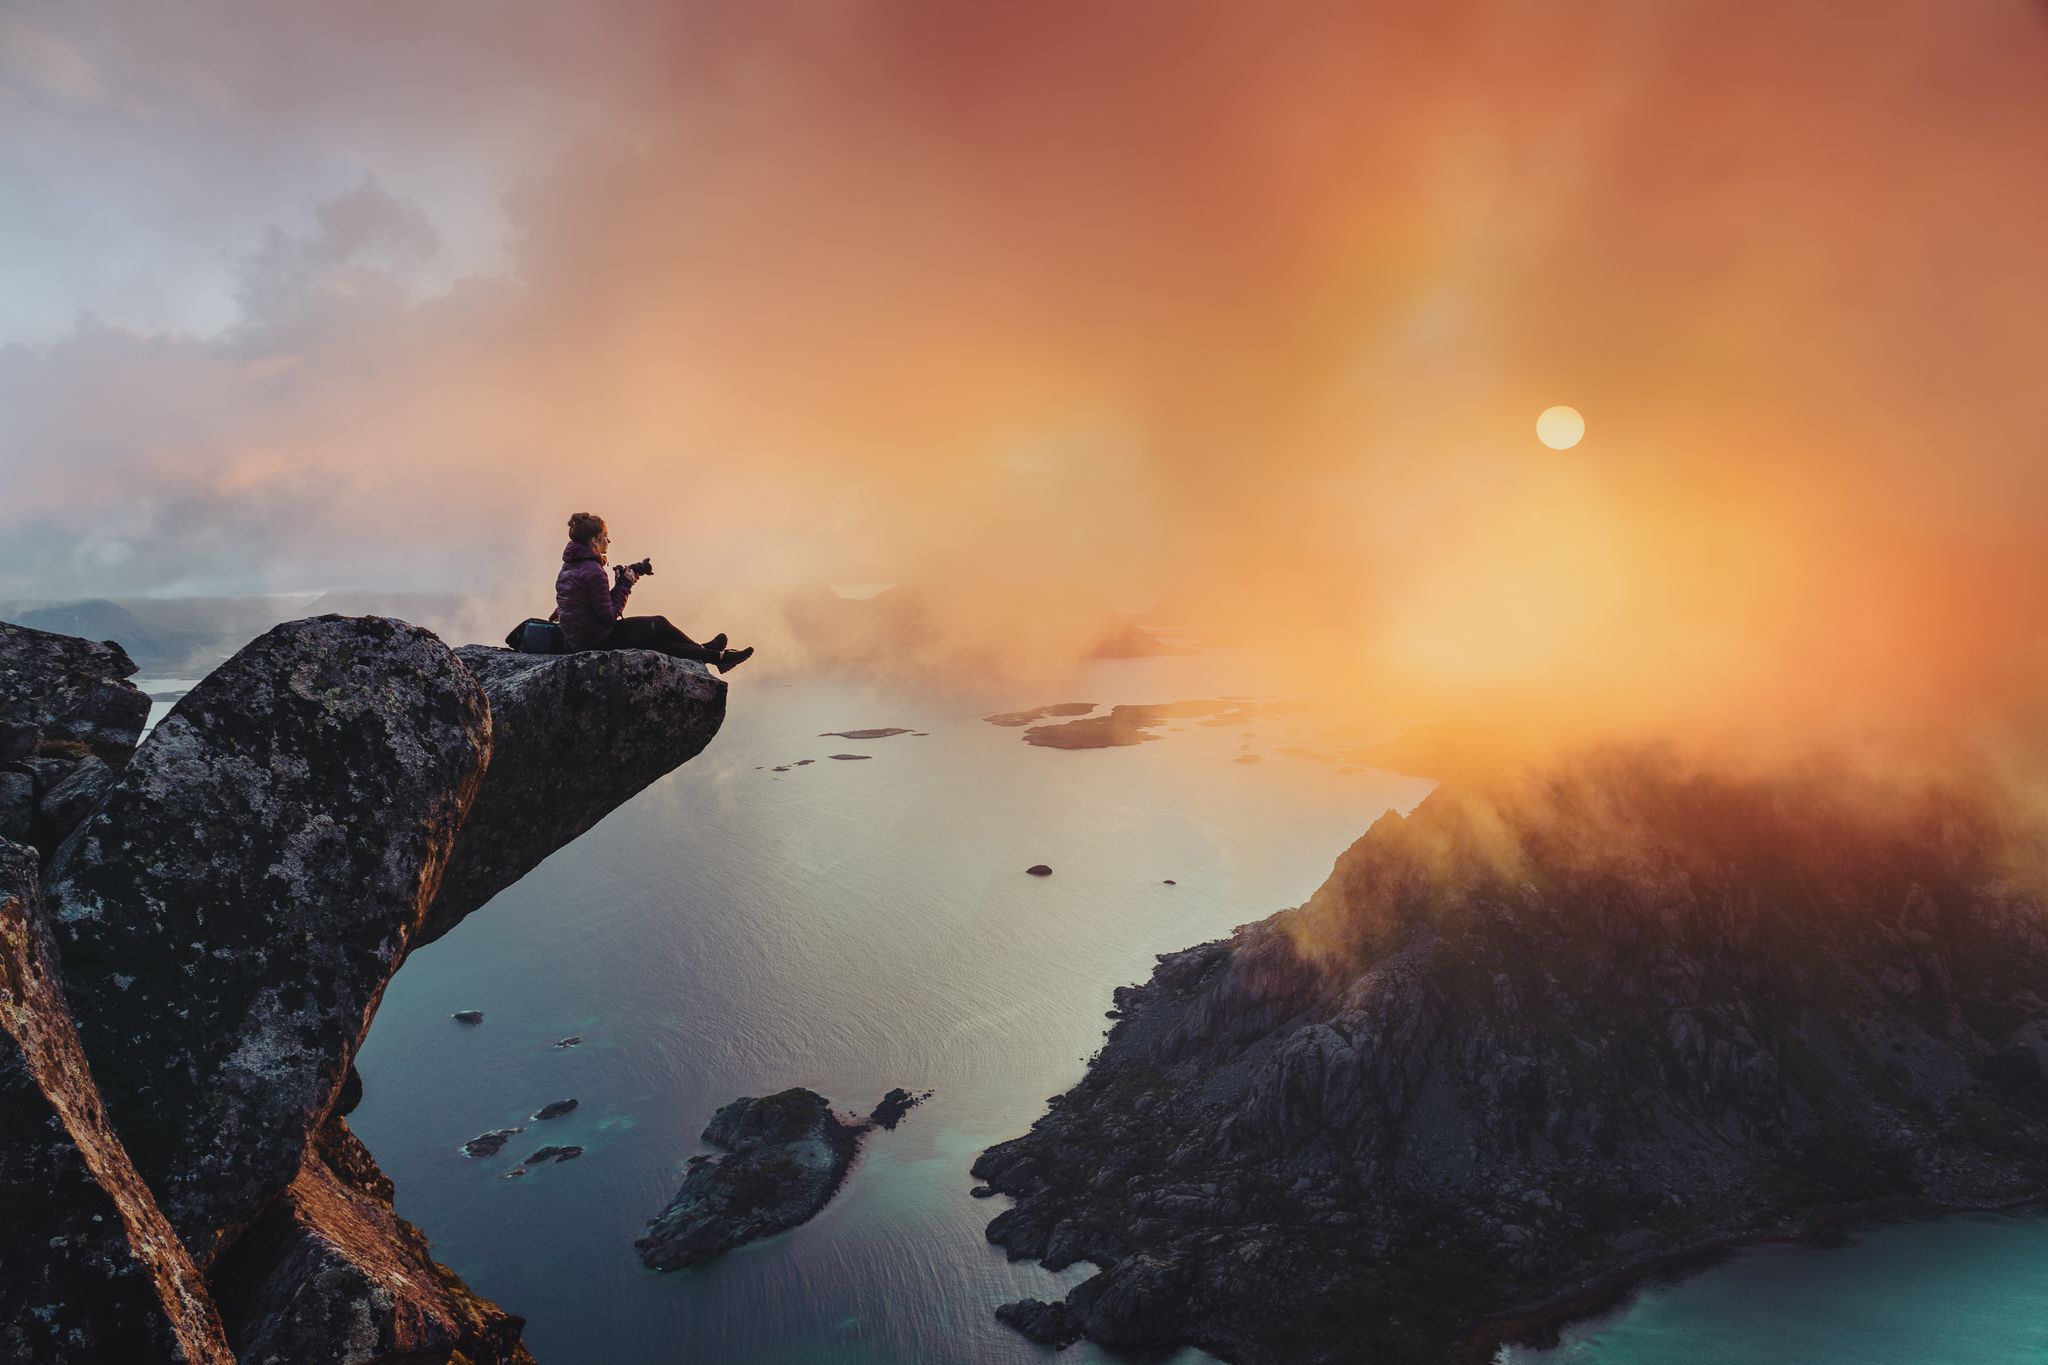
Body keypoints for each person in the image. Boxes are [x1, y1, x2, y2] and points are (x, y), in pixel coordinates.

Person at [554, 512, 753, 672]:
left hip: (581, 638)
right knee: (657, 623)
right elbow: (608, 617)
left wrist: (630, 573)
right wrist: (626, 583)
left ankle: (713, 655)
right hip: (596, 640)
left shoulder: (570, 566)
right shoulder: (593, 571)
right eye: (605, 536)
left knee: (656, 641)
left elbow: (592, 603)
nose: (609, 540)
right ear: (595, 541)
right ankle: (711, 654)